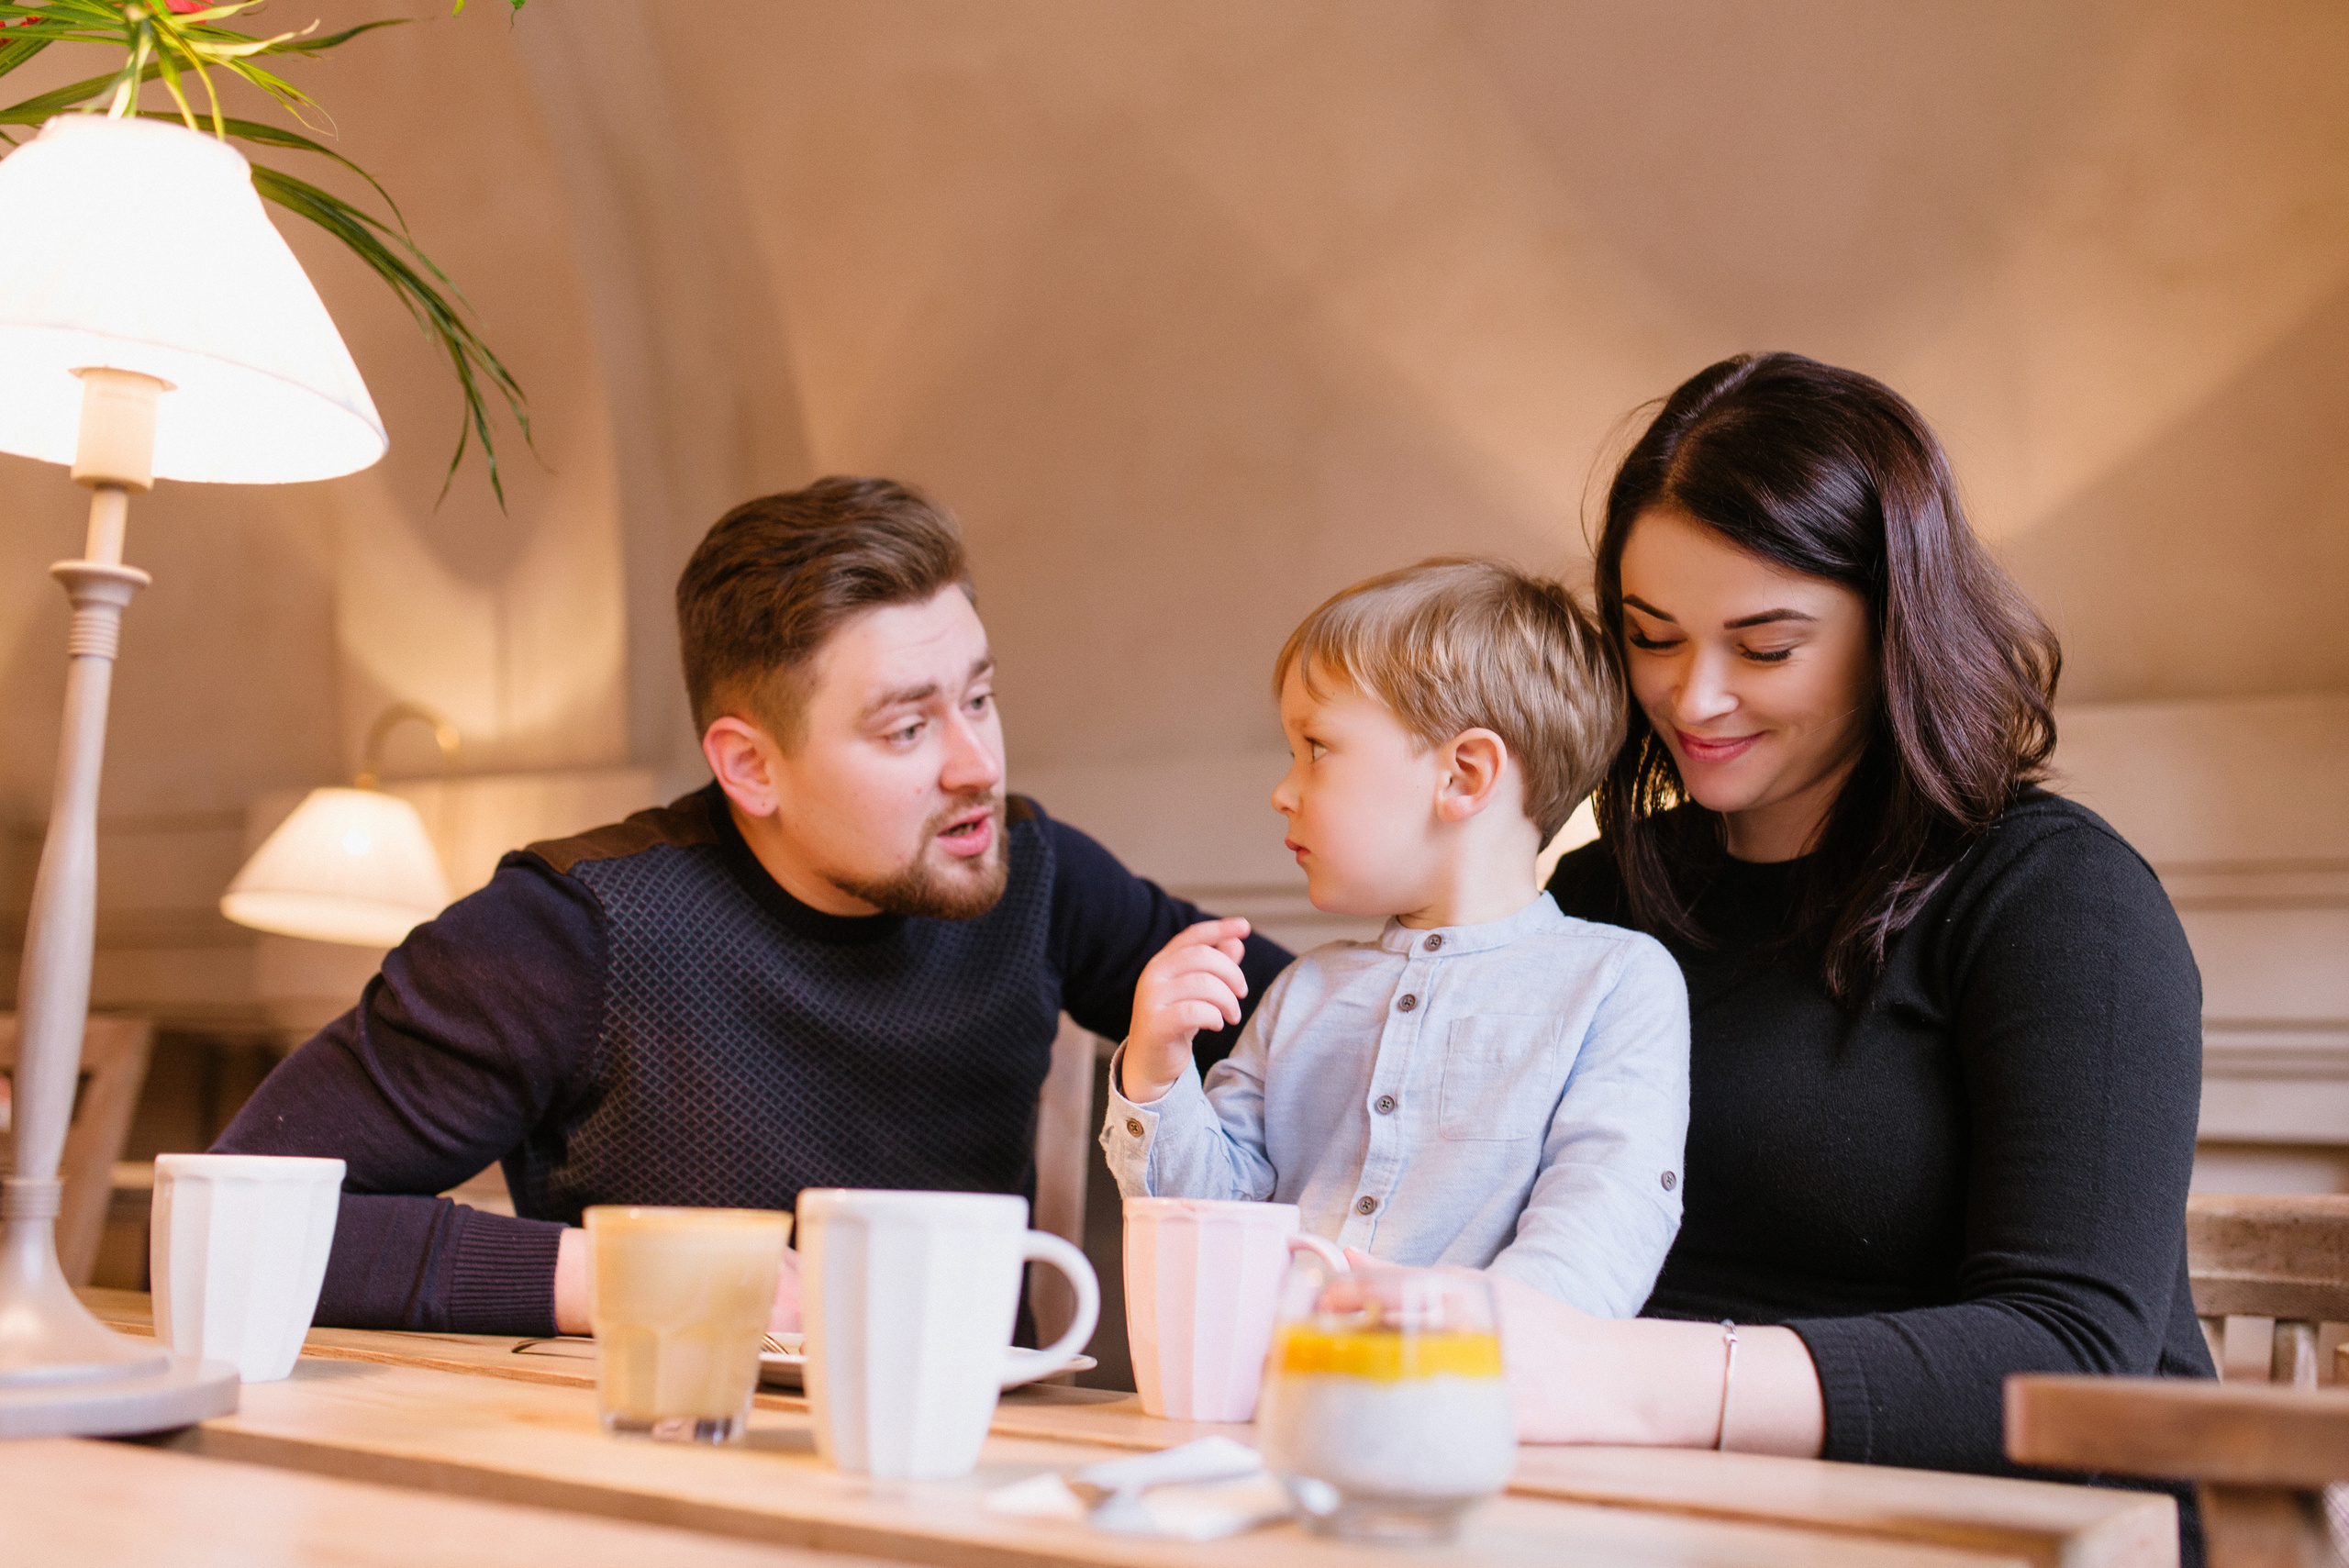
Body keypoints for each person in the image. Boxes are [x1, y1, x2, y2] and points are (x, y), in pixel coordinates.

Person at [216, 476, 1290, 1338]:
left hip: (968, 1473)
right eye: (907, 728)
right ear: (749, 765)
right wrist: (646, 1276)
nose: (977, 766)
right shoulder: (563, 931)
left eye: (979, 697)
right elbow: (238, 1218)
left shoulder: (1038, 875)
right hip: (663, 1474)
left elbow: (1332, 1035)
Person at [1507, 354, 2209, 1542]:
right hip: (1669, 1515)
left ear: (1897, 627)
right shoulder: (1601, 895)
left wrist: (1632, 1381)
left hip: (2025, 1532)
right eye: (1651, 636)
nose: (1695, 697)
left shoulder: (2055, 897)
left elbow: (2078, 1350)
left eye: (1765, 646)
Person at [1100, 559, 1689, 1316]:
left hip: (1487, 1414)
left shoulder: (1617, 982)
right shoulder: (1301, 993)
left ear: (1465, 775)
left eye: (1315, 746)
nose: (1282, 791)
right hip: (1275, 1404)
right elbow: (1213, 1230)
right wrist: (1156, 1071)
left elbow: (1604, 1221)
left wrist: (1464, 1343)